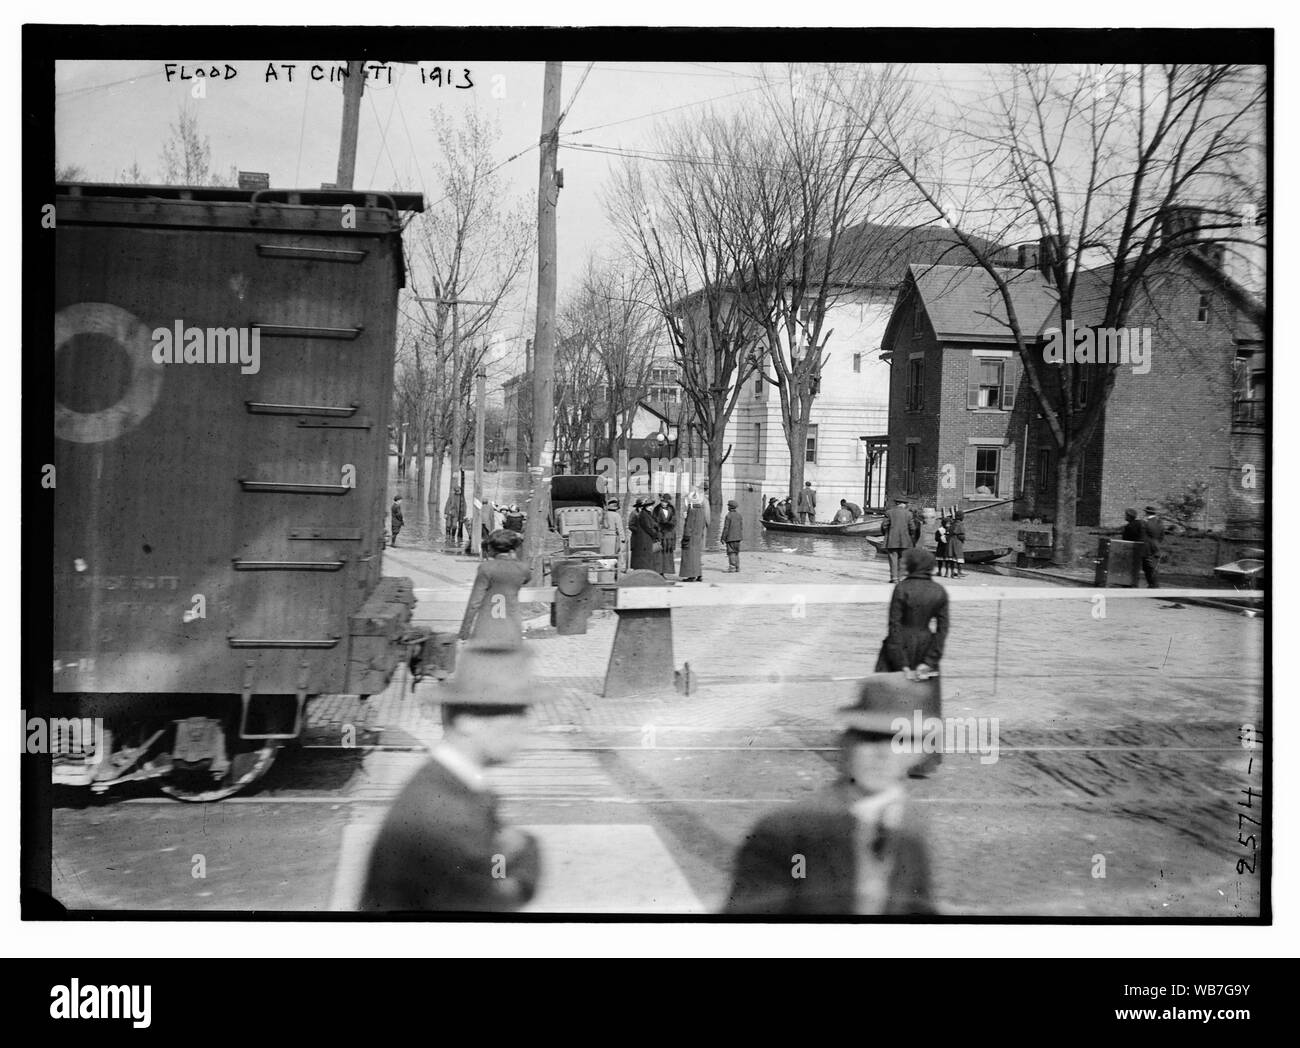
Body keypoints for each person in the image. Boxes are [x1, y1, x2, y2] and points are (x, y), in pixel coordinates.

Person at [722, 675, 936, 915]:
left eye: (899, 741)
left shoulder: (913, 826)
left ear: (919, 754)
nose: (883, 754)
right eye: (870, 738)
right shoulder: (787, 832)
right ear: (845, 744)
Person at [360, 643, 541, 912]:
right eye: (515, 712)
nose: (529, 724)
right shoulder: (448, 815)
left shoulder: (445, 783)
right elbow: (496, 904)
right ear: (467, 720)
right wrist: (527, 853)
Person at [875, 548, 949, 682]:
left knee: (888, 696)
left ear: (913, 565)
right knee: (923, 699)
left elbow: (894, 626)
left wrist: (901, 663)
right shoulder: (939, 591)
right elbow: (943, 630)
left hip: (900, 644)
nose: (903, 564)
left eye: (905, 562)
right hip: (926, 646)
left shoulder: (902, 588)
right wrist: (930, 661)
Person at [459, 529, 532, 645]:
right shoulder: (522, 569)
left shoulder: (486, 568)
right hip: (512, 626)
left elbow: (474, 603)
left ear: (492, 549)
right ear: (512, 549)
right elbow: (527, 579)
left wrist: (464, 633)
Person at [881, 495, 917, 583]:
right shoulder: (909, 514)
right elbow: (912, 528)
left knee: (893, 559)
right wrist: (911, 537)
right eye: (906, 504)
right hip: (905, 540)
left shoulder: (889, 512)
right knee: (902, 559)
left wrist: (886, 534)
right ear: (904, 504)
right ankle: (900, 577)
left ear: (897, 503)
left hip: (892, 540)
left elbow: (884, 526)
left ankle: (894, 578)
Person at [679, 489, 707, 582]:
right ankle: (699, 574)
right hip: (698, 537)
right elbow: (704, 524)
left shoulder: (692, 511)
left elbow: (689, 526)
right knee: (697, 556)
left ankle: (691, 575)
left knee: (689, 556)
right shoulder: (701, 510)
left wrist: (685, 537)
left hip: (691, 538)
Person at [629, 498, 661, 571]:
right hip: (644, 539)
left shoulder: (647, 514)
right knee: (644, 559)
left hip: (647, 539)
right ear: (645, 506)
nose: (651, 507)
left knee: (646, 558)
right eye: (649, 506)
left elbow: (652, 524)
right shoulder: (643, 514)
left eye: (651, 506)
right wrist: (656, 534)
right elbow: (647, 527)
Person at [653, 493, 678, 576]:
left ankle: (666, 570)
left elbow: (674, 521)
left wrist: (669, 527)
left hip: (669, 535)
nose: (664, 503)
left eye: (665, 502)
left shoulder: (672, 509)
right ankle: (659, 572)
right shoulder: (656, 510)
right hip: (660, 534)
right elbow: (654, 522)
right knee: (659, 554)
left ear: (668, 502)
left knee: (667, 554)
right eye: (662, 501)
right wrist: (660, 529)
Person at [1141, 505, 1164, 588]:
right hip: (1156, 546)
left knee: (1148, 566)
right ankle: (1153, 584)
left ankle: (1153, 585)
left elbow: (1142, 535)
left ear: (1146, 513)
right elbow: (1162, 536)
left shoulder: (1145, 522)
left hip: (1147, 547)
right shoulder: (1159, 522)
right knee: (1152, 565)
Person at [604, 498, 627, 574]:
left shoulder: (604, 514)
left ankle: (606, 572)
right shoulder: (616, 515)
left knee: (606, 556)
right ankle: (616, 572)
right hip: (613, 537)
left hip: (603, 537)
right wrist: (623, 538)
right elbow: (620, 528)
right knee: (616, 555)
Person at [722, 499, 744, 572]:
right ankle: (738, 567)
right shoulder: (739, 515)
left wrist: (723, 538)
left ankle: (732, 567)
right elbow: (741, 527)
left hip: (730, 537)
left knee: (731, 552)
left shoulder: (728, 516)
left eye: (728, 506)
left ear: (730, 507)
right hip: (738, 537)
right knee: (736, 552)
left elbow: (726, 528)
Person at [948, 510, 967, 579]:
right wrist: (963, 539)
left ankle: (952, 573)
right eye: (963, 516)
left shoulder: (952, 523)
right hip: (957, 542)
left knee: (952, 558)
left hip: (951, 541)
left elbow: (950, 531)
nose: (963, 517)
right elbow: (961, 534)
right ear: (960, 517)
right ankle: (959, 571)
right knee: (959, 556)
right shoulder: (960, 524)